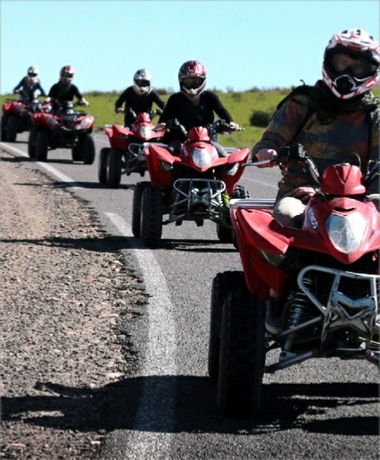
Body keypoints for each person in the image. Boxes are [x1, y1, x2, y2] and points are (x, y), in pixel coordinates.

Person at [250, 28, 380, 334]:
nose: (348, 72)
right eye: (342, 62)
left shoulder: (373, 114)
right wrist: (269, 150)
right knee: (284, 216)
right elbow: (271, 138)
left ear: (370, 71)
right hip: (302, 192)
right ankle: (278, 296)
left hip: (359, 202)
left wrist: (372, 198)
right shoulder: (303, 102)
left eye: (358, 66)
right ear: (329, 62)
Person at [158, 60, 240, 155]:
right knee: (168, 155)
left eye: (196, 81)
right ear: (181, 81)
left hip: (207, 141)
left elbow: (222, 111)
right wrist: (164, 125)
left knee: (224, 157)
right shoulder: (175, 99)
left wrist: (231, 123)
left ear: (203, 80)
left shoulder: (210, 97)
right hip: (181, 140)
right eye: (188, 81)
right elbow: (163, 119)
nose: (192, 86)